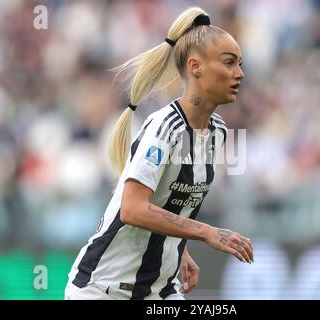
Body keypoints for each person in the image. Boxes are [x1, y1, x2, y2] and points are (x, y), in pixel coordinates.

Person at [64, 6, 253, 300]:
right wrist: (205, 232)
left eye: (240, 63)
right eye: (229, 63)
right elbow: (132, 208)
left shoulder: (218, 131)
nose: (239, 73)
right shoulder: (165, 127)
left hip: (158, 291)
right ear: (195, 67)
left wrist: (179, 249)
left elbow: (171, 200)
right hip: (104, 290)